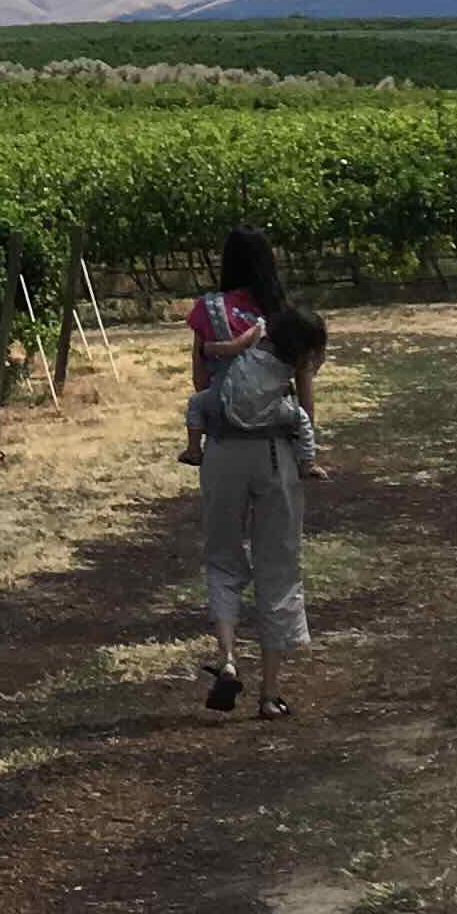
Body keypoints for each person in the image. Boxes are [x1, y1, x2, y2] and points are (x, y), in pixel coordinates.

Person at [192, 299, 329, 718]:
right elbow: (305, 400)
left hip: (222, 452)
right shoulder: (285, 319)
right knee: (279, 567)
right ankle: (270, 693)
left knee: (222, 559)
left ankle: (228, 658)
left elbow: (201, 380)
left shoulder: (212, 313)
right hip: (274, 454)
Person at [178, 226, 295, 464]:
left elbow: (200, 378)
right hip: (274, 435)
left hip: (224, 436)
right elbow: (301, 376)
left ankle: (193, 449)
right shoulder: (282, 312)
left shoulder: (208, 309)